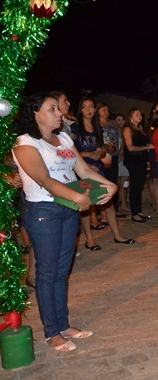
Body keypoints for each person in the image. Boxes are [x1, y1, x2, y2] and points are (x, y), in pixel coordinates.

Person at [12, 92, 117, 351]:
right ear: (35, 113)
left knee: (62, 271)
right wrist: (78, 197)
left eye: (58, 109)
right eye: (52, 109)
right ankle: (52, 332)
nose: (59, 113)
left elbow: (83, 170)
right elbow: (44, 179)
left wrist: (109, 185)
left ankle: (63, 324)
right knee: (47, 274)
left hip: (68, 209)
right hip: (44, 210)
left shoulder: (64, 138)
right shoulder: (25, 142)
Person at [71, 97, 134, 249]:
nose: (88, 110)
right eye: (85, 107)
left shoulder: (97, 127)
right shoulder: (75, 128)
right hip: (82, 169)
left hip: (98, 168)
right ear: (81, 110)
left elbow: (102, 149)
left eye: (91, 106)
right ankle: (89, 239)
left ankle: (117, 235)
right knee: (86, 206)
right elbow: (70, 152)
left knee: (108, 202)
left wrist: (104, 150)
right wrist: (88, 157)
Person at [123, 108, 154, 223]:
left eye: (140, 114)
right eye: (136, 115)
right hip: (133, 161)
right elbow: (130, 147)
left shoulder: (140, 129)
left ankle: (138, 210)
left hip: (141, 160)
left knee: (139, 186)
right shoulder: (128, 129)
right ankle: (135, 213)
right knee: (135, 186)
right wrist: (147, 147)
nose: (139, 116)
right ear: (130, 117)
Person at [114, 113, 130, 216]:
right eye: (118, 120)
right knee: (118, 183)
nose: (120, 122)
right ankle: (118, 204)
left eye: (122, 120)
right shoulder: (113, 131)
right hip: (117, 159)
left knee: (126, 181)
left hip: (125, 159)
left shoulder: (127, 130)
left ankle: (124, 203)